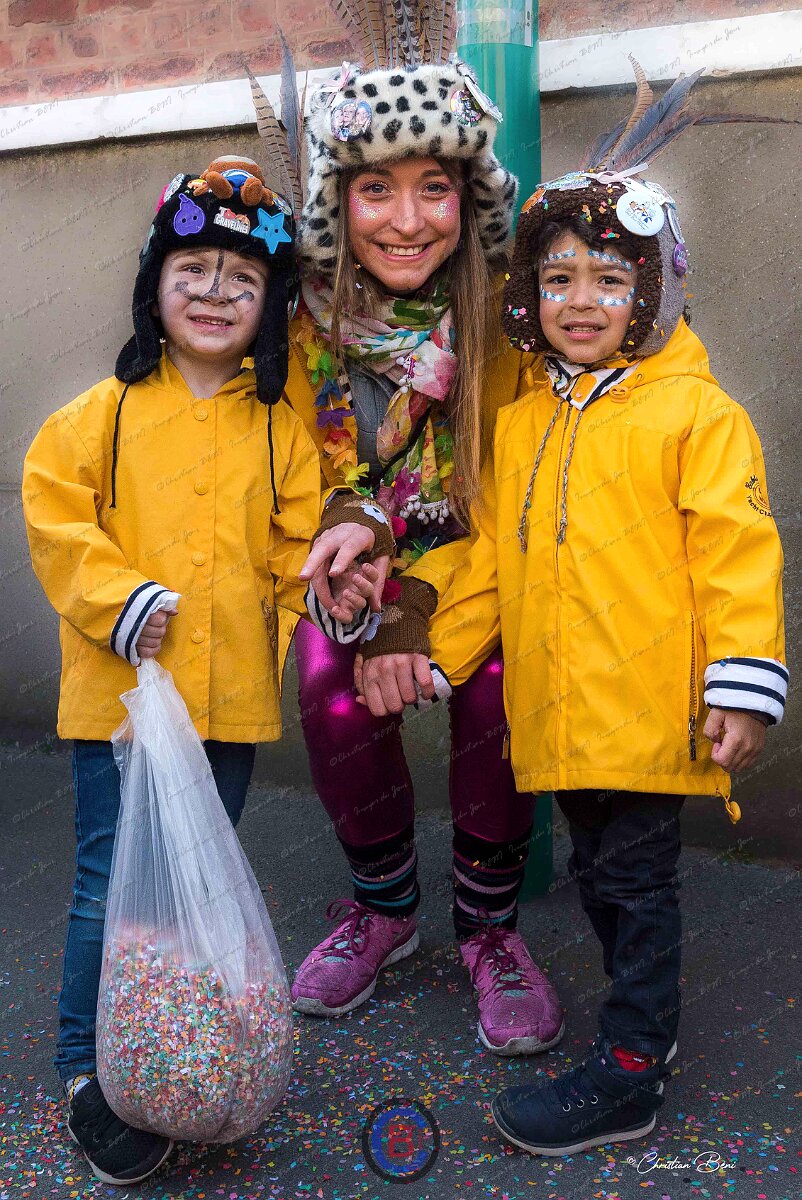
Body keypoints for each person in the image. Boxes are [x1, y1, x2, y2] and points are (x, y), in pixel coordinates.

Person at [361, 69, 789, 1154]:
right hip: (563, 717)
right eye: (558, 279)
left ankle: (633, 1068)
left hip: (646, 715)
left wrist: (741, 682)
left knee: (637, 888)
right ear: (529, 296)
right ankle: (633, 1042)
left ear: (656, 292)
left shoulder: (695, 416)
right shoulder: (526, 423)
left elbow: (737, 551)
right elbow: (493, 559)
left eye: (610, 278)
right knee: (603, 879)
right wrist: (438, 650)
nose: (583, 301)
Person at [22, 155, 322, 1185]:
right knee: (110, 883)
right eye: (192, 269)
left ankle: (165, 1053)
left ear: (271, 307)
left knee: (187, 880)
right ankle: (85, 1069)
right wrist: (123, 603)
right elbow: (56, 524)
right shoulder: (96, 417)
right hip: (119, 707)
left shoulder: (281, 428)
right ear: (154, 283)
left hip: (226, 704)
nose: (214, 293)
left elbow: (294, 548)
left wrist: (329, 594)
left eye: (243, 279)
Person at [282, 2, 564, 1055]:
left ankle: (489, 928)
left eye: (434, 187)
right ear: (338, 202)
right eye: (376, 189)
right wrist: (355, 557)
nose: (407, 220)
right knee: (329, 677)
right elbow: (303, 477)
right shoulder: (302, 328)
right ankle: (385, 908)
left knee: (496, 685)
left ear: (469, 198)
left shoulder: (511, 326)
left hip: (480, 570)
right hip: (359, 563)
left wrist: (419, 606)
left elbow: (517, 500)